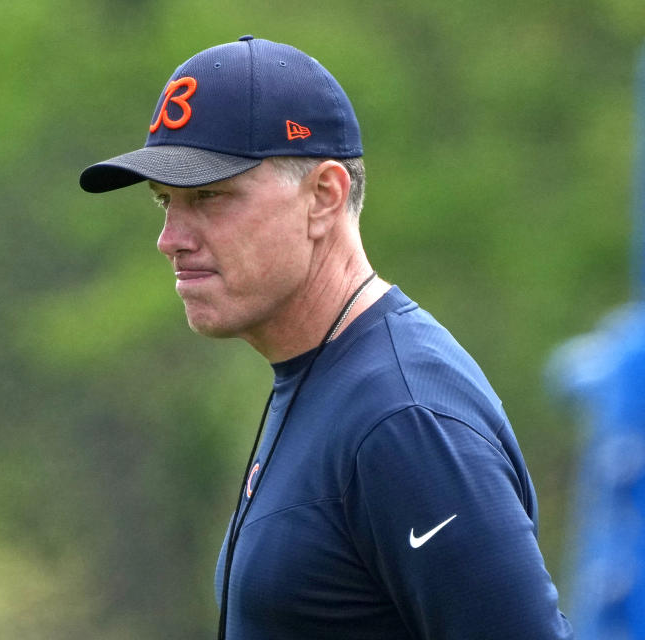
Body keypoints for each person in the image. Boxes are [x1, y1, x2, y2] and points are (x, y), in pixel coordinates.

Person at [79, 36, 573, 639]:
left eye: (209, 197)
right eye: (165, 202)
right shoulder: (323, 373)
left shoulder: (404, 419)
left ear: (323, 197)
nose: (170, 238)